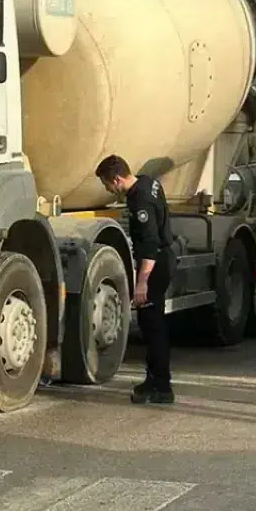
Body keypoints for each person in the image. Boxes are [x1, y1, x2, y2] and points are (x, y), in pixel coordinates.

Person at [95, 154, 177, 405]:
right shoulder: (148, 182)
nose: (108, 190)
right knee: (152, 323)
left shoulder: (140, 199)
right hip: (163, 259)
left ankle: (161, 386)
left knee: (153, 327)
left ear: (117, 180)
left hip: (155, 264)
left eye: (107, 184)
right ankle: (155, 380)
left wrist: (142, 282)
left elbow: (150, 244)